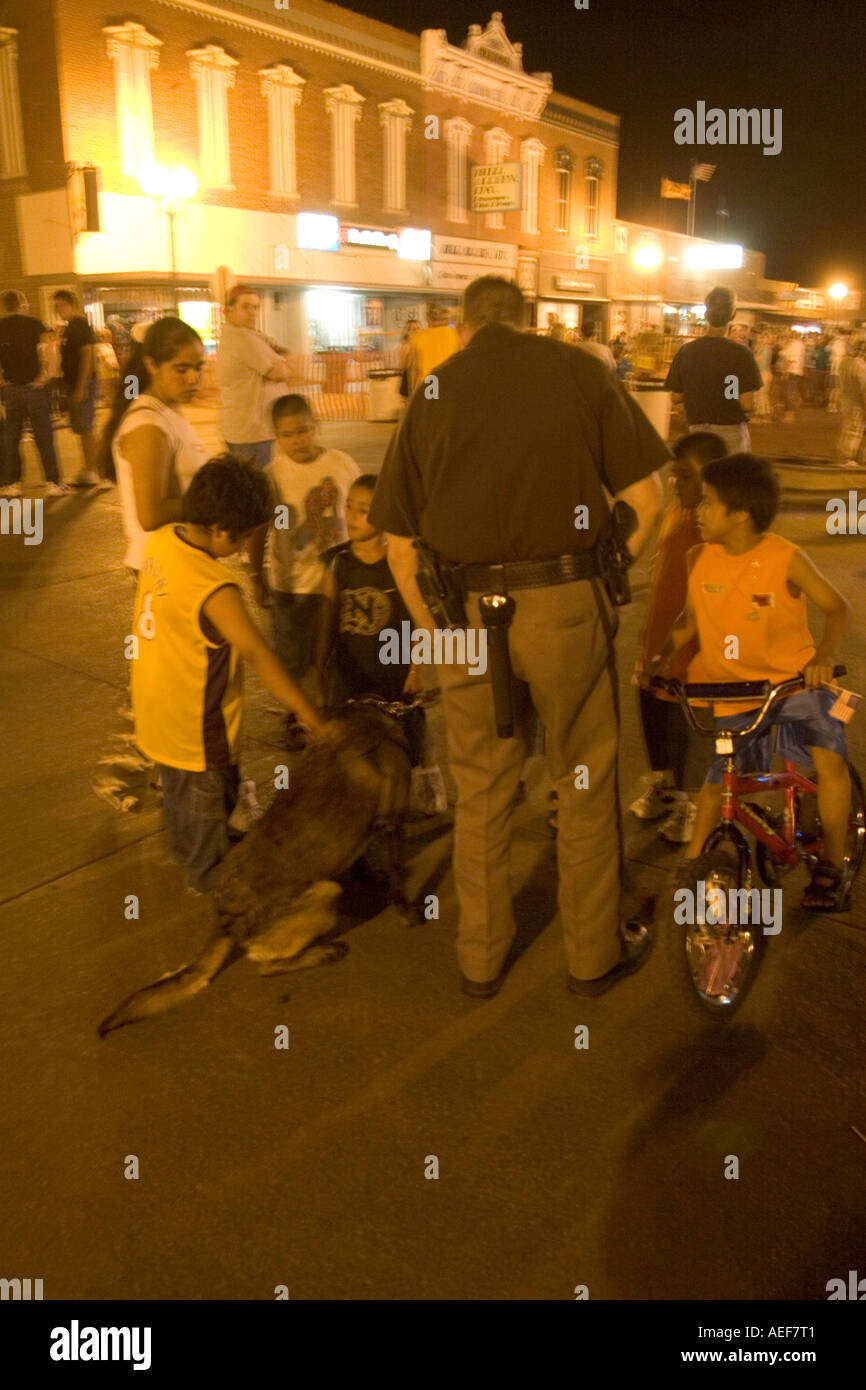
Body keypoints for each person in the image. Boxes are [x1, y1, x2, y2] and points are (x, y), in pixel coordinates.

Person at [368, 274, 667, 998]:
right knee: (587, 780)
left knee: (481, 791)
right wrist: (600, 574)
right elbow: (646, 503)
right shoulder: (579, 372)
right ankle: (591, 956)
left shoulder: (433, 392)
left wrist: (441, 630)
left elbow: (398, 544)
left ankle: (481, 957)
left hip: (461, 614)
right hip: (565, 603)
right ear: (528, 321)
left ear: (465, 328)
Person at [651, 453, 853, 911]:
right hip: (732, 691)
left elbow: (837, 607)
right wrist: (661, 658)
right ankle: (692, 868)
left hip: (794, 685)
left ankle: (833, 865)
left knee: (830, 763)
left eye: (707, 504)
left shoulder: (785, 558)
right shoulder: (697, 557)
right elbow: (690, 620)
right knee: (715, 783)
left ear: (740, 514)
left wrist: (824, 657)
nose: (697, 512)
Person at [131, 455, 332, 893]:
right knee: (206, 810)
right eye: (243, 539)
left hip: (157, 717)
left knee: (180, 800)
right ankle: (211, 887)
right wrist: (309, 715)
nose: (243, 548)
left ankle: (186, 855)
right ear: (221, 530)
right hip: (198, 732)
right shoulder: (215, 588)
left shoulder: (161, 541)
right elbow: (259, 656)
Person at [92, 316, 208, 812]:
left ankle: (158, 775)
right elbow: (152, 509)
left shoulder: (166, 414)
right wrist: (218, 500)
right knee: (156, 680)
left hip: (173, 568)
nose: (192, 378)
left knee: (170, 679)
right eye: (181, 368)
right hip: (157, 571)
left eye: (198, 368)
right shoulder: (147, 423)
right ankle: (121, 775)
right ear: (151, 364)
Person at [317, 474, 447, 815]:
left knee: (411, 725)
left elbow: (419, 619)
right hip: (353, 668)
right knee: (358, 728)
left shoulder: (400, 563)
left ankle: (428, 776)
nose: (353, 516)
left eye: (364, 510)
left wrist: (417, 668)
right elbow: (328, 618)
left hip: (396, 665)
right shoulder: (338, 563)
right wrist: (321, 666)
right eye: (349, 507)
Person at [248, 393, 359, 749]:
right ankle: (296, 716)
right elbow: (259, 530)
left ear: (317, 427)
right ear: (275, 436)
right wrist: (257, 577)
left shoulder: (342, 464)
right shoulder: (273, 475)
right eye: (287, 434)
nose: (297, 440)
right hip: (290, 585)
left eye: (304, 431)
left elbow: (360, 512)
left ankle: (336, 709)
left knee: (335, 653)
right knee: (292, 656)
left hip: (335, 581)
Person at [631, 432, 726, 843]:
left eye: (686, 477)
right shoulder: (677, 513)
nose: (677, 484)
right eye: (675, 476)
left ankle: (692, 805)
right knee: (655, 715)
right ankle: (663, 785)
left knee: (693, 731)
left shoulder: (717, 527)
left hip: (695, 654)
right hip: (660, 644)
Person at [665, 286, 762, 452]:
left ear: (706, 315)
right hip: (729, 432)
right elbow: (747, 403)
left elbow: (676, 397)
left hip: (696, 432)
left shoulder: (686, 351)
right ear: (733, 315)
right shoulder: (740, 354)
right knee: (729, 477)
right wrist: (729, 390)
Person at [215, 284, 295, 468]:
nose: (252, 312)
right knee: (259, 486)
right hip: (253, 433)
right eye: (245, 307)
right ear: (229, 310)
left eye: (255, 307)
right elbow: (281, 372)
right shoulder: (243, 338)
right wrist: (284, 361)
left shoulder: (234, 335)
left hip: (240, 429)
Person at [0, 289, 67, 497]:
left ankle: (12, 482)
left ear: (4, 306)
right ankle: (52, 481)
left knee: (11, 437)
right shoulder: (34, 323)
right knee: (43, 436)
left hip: (10, 388)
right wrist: (46, 374)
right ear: (22, 303)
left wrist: (2, 379)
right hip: (34, 387)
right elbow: (51, 346)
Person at [52, 289, 104, 488]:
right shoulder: (69, 327)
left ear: (71, 305)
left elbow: (87, 354)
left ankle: (94, 470)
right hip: (73, 383)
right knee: (82, 428)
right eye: (55, 306)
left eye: (61, 305)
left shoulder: (79, 325)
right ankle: (91, 469)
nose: (58, 310)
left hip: (82, 383)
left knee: (86, 427)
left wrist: (82, 386)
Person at [407, 304, 460, 394]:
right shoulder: (455, 335)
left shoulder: (418, 337)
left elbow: (413, 369)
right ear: (445, 319)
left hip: (430, 384)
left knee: (431, 407)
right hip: (449, 383)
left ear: (429, 320)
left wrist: (412, 392)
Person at [836, 333, 866, 469]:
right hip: (857, 404)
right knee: (855, 432)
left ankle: (843, 457)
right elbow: (864, 389)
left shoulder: (844, 362)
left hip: (845, 402)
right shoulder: (861, 366)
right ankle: (850, 462)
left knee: (847, 429)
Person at [779, 329, 805, 422]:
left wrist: (785, 372)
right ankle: (790, 413)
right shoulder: (799, 344)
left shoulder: (794, 344)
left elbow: (790, 359)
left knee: (788, 393)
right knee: (791, 392)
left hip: (792, 371)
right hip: (796, 371)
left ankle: (789, 415)